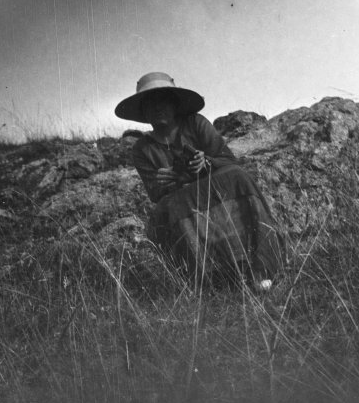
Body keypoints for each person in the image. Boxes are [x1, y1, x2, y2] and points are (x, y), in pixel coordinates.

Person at [115, 72, 284, 289]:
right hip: (183, 202)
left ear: (174, 104)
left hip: (215, 188)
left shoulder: (195, 123)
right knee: (171, 207)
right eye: (150, 102)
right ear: (143, 111)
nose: (158, 107)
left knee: (238, 178)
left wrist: (205, 164)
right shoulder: (142, 149)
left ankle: (261, 269)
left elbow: (227, 160)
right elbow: (155, 193)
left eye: (163, 100)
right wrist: (172, 181)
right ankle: (209, 281)